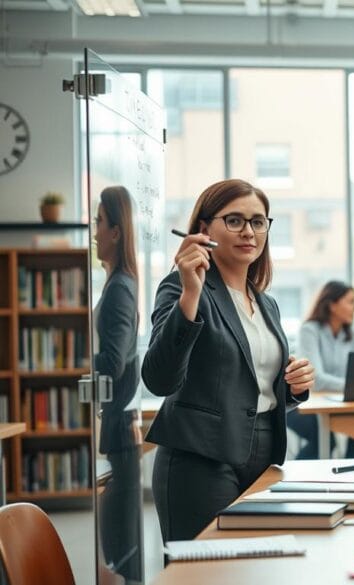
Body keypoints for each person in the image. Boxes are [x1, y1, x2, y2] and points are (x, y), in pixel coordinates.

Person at [143, 179, 316, 542]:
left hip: (262, 457)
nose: (248, 231)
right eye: (234, 220)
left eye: (258, 221)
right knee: (210, 573)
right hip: (199, 460)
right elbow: (159, 379)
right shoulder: (180, 287)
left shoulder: (265, 302)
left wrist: (292, 387)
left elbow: (248, 386)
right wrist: (191, 292)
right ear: (205, 229)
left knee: (255, 569)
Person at [93, 186, 143, 582]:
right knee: (119, 548)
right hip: (119, 429)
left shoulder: (119, 291)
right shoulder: (119, 285)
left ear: (114, 231)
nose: (94, 231)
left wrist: (76, 365)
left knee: (120, 551)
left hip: (121, 432)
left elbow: (112, 360)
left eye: (98, 222)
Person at [290, 280, 354, 460]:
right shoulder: (309, 330)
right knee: (325, 440)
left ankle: (350, 481)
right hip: (299, 404)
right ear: (332, 305)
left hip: (335, 403)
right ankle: (290, 480)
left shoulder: (351, 334)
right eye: (350, 301)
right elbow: (316, 380)